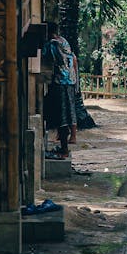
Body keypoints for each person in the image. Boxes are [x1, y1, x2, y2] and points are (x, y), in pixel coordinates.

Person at [43, 24, 78, 158]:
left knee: (62, 115)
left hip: (60, 82)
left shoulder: (52, 44)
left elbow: (45, 56)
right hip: (70, 80)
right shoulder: (64, 41)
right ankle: (66, 144)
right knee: (69, 112)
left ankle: (64, 149)